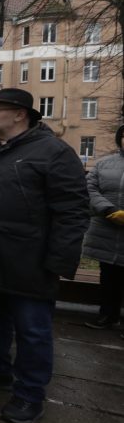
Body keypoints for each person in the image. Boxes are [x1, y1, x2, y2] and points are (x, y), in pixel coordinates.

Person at [0, 88, 89, 423]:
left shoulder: (54, 152)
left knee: (32, 331)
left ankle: (30, 393)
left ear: (21, 114)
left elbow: (72, 211)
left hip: (29, 262)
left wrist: (59, 262)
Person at [82, 125, 124, 331]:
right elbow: (90, 188)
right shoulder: (105, 164)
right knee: (108, 276)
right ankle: (108, 315)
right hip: (107, 228)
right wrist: (108, 210)